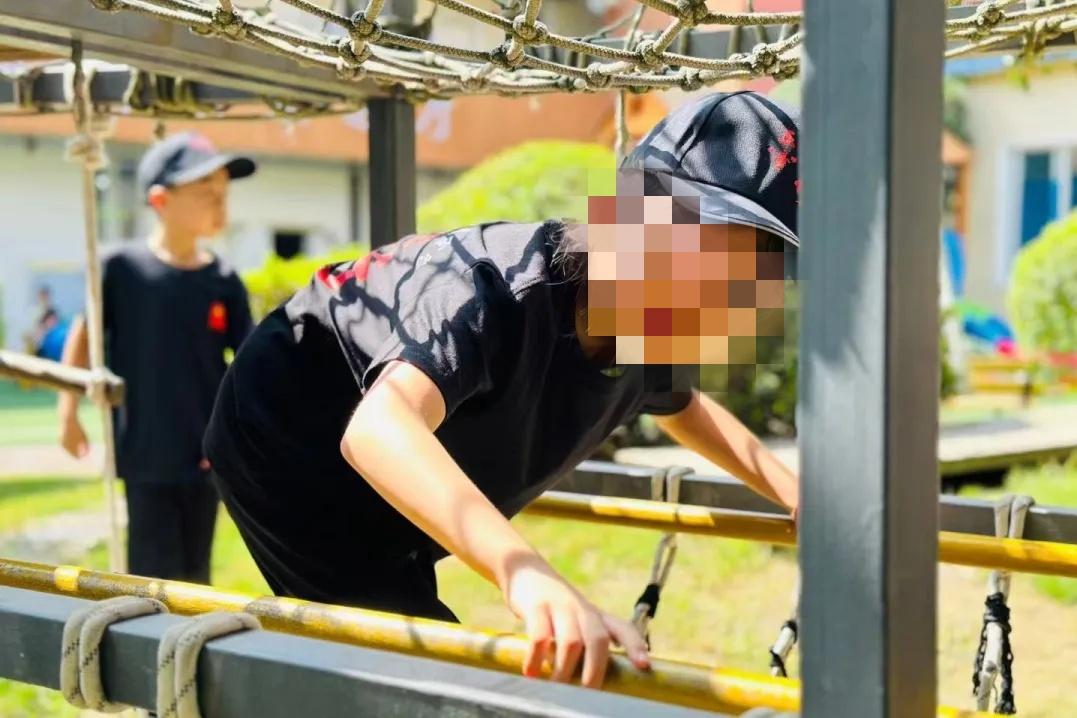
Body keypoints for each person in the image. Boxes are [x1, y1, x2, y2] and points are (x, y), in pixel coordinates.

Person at [203, 91, 801, 687]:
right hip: (290, 438)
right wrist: (525, 572)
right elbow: (379, 430)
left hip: (399, 462)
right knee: (414, 671)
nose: (743, 302)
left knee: (405, 611)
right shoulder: (493, 287)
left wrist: (795, 492)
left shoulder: (650, 326)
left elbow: (682, 407)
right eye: (722, 267)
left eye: (760, 275)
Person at [58, 132, 256, 584]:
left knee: (196, 573)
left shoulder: (224, 279)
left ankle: (191, 632)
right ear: (160, 200)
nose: (219, 202)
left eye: (223, 192)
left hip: (205, 455)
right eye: (205, 192)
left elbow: (247, 367)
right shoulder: (120, 268)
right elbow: (84, 333)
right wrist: (67, 412)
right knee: (150, 575)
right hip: (145, 451)